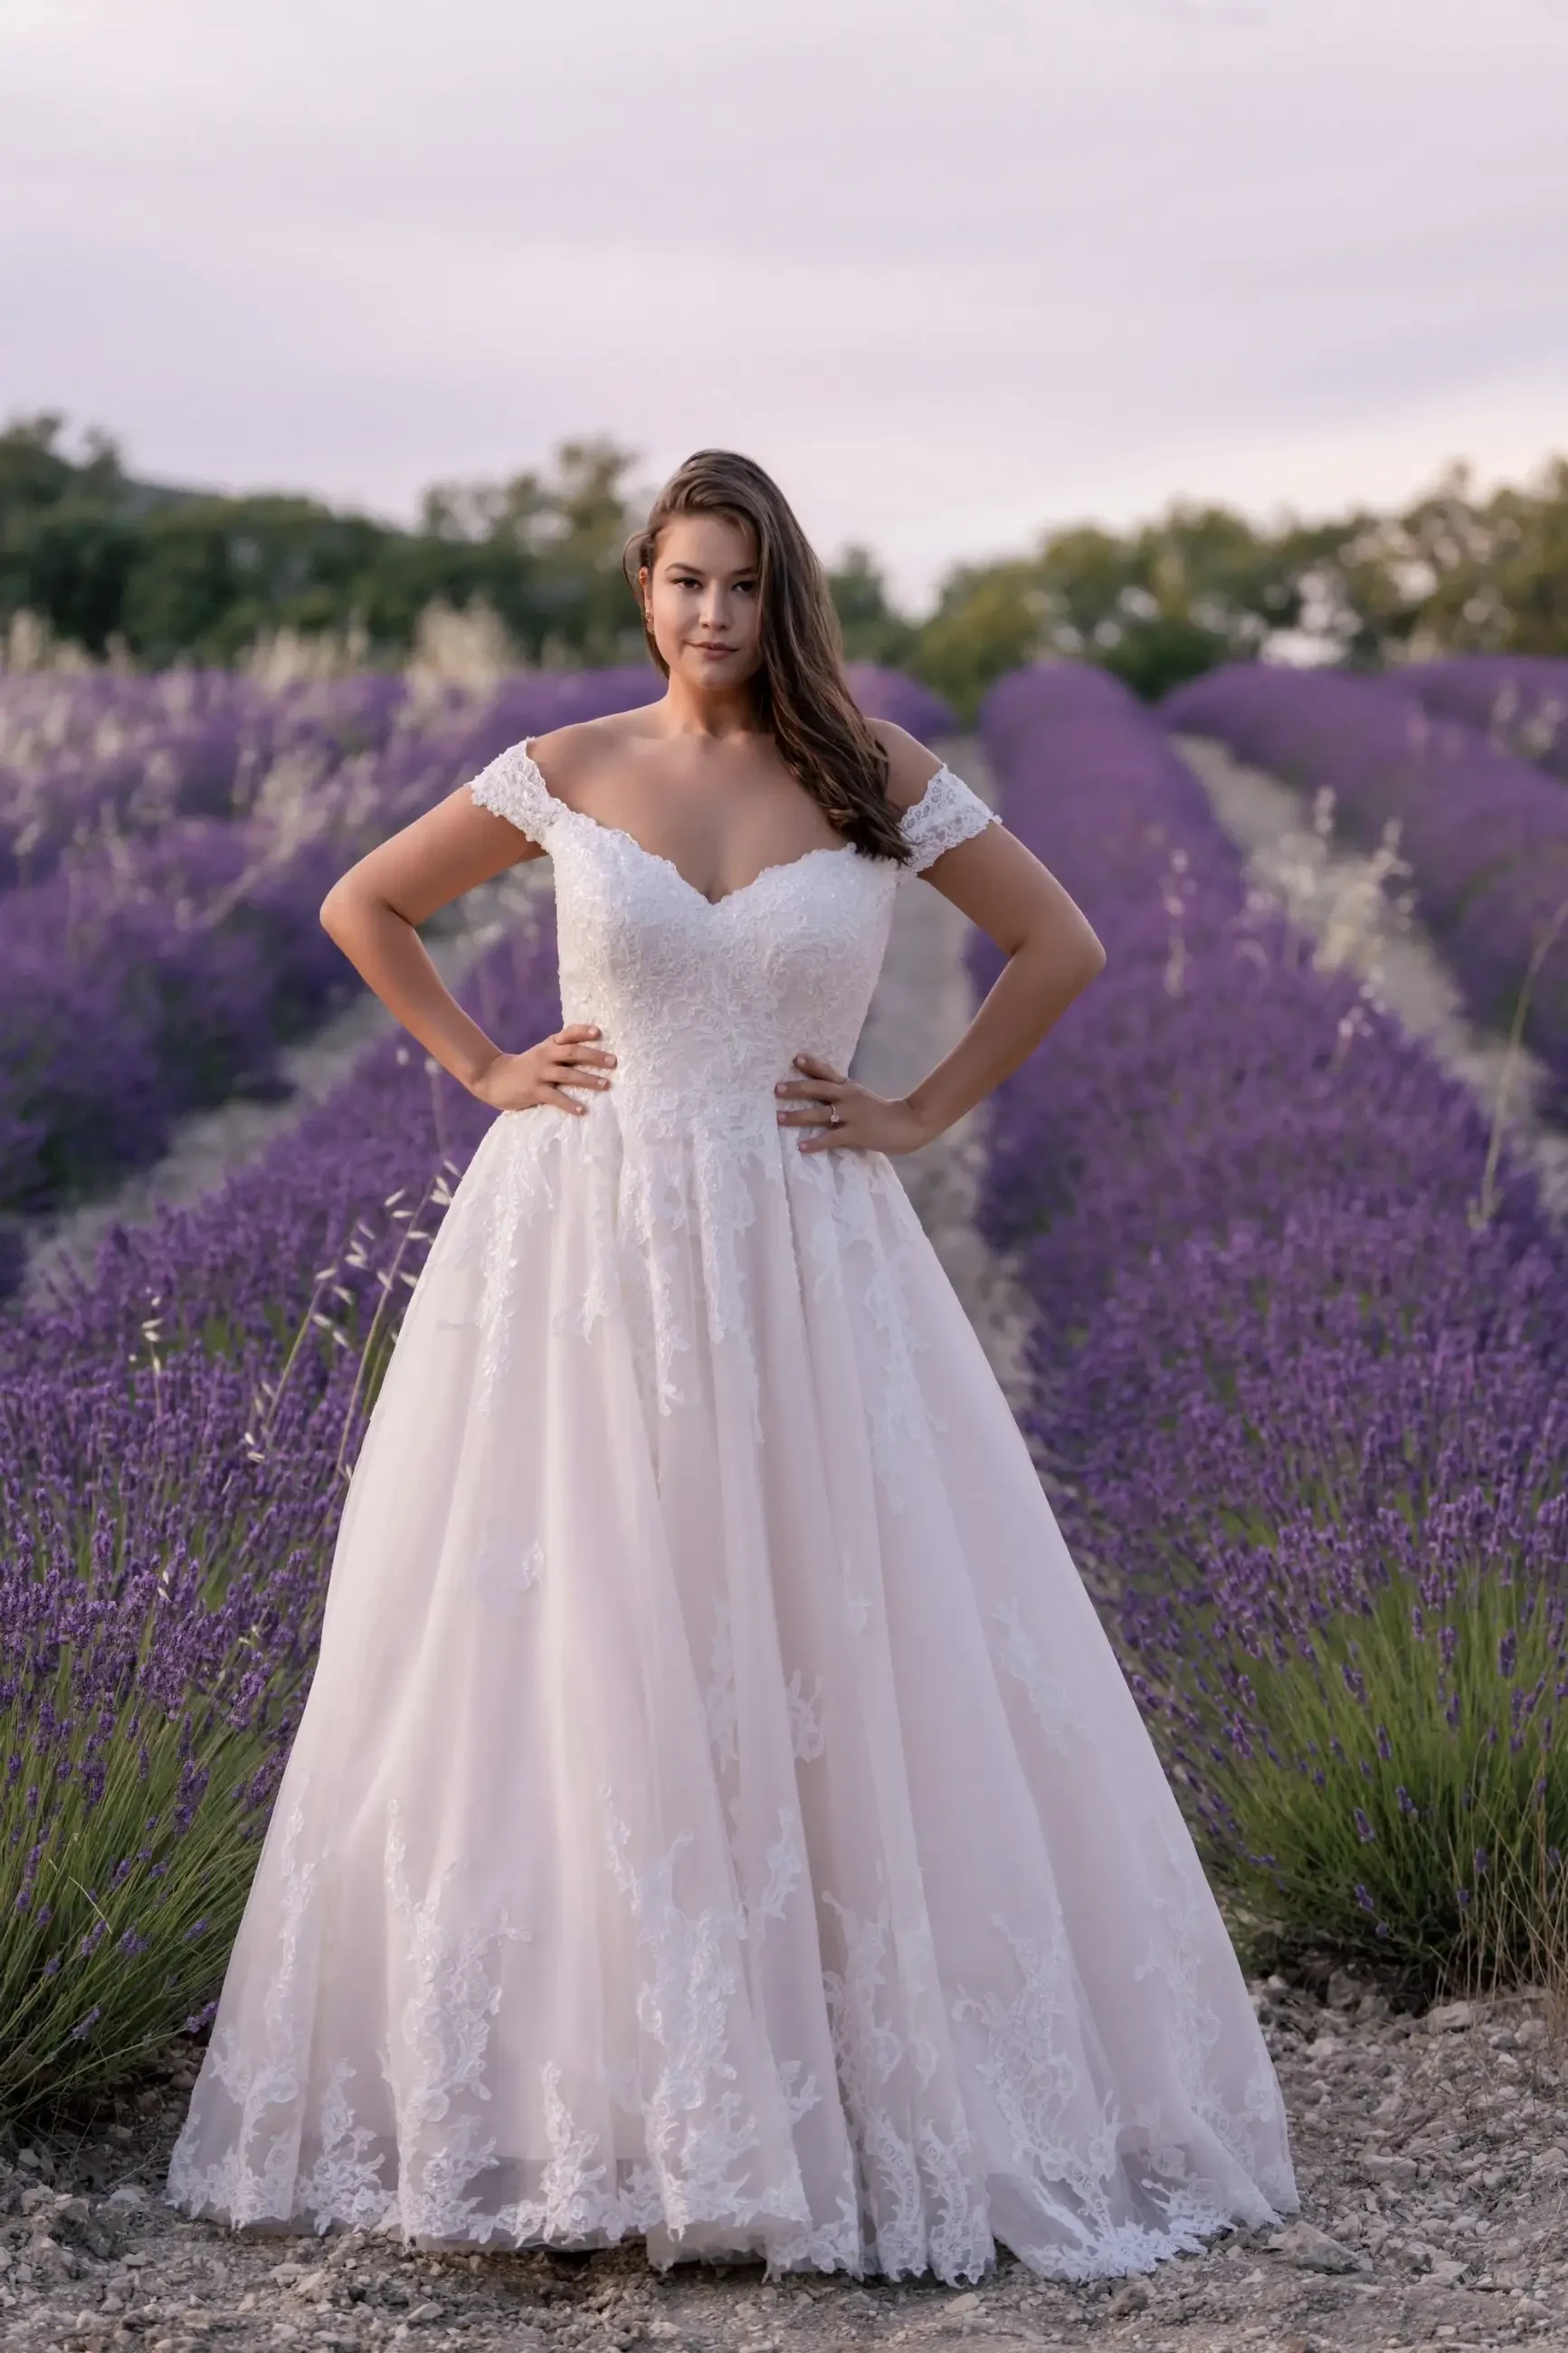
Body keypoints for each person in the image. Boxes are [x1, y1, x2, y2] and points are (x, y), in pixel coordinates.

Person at [166, 449, 1296, 2283]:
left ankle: (834, 2091)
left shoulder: (869, 773)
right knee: (582, 1646)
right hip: (581, 1252)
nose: (712, 613)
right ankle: (612, 2106)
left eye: (744, 585)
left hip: (799, 1253)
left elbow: (1059, 942)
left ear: (785, 599)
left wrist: (918, 1110)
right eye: (686, 579)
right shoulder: (563, 768)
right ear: (643, 586)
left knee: (819, 1636)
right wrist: (483, 1066)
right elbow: (363, 904)